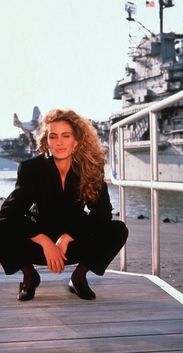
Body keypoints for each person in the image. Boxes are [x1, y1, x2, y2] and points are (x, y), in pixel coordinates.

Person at [0, 109, 128, 301]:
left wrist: (68, 237)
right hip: (37, 242)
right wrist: (43, 240)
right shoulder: (31, 169)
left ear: (76, 141)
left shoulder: (90, 168)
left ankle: (78, 278)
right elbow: (9, 213)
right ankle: (29, 276)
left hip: (74, 242)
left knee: (117, 229)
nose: (59, 142)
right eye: (53, 136)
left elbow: (102, 213)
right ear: (47, 141)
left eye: (66, 136)